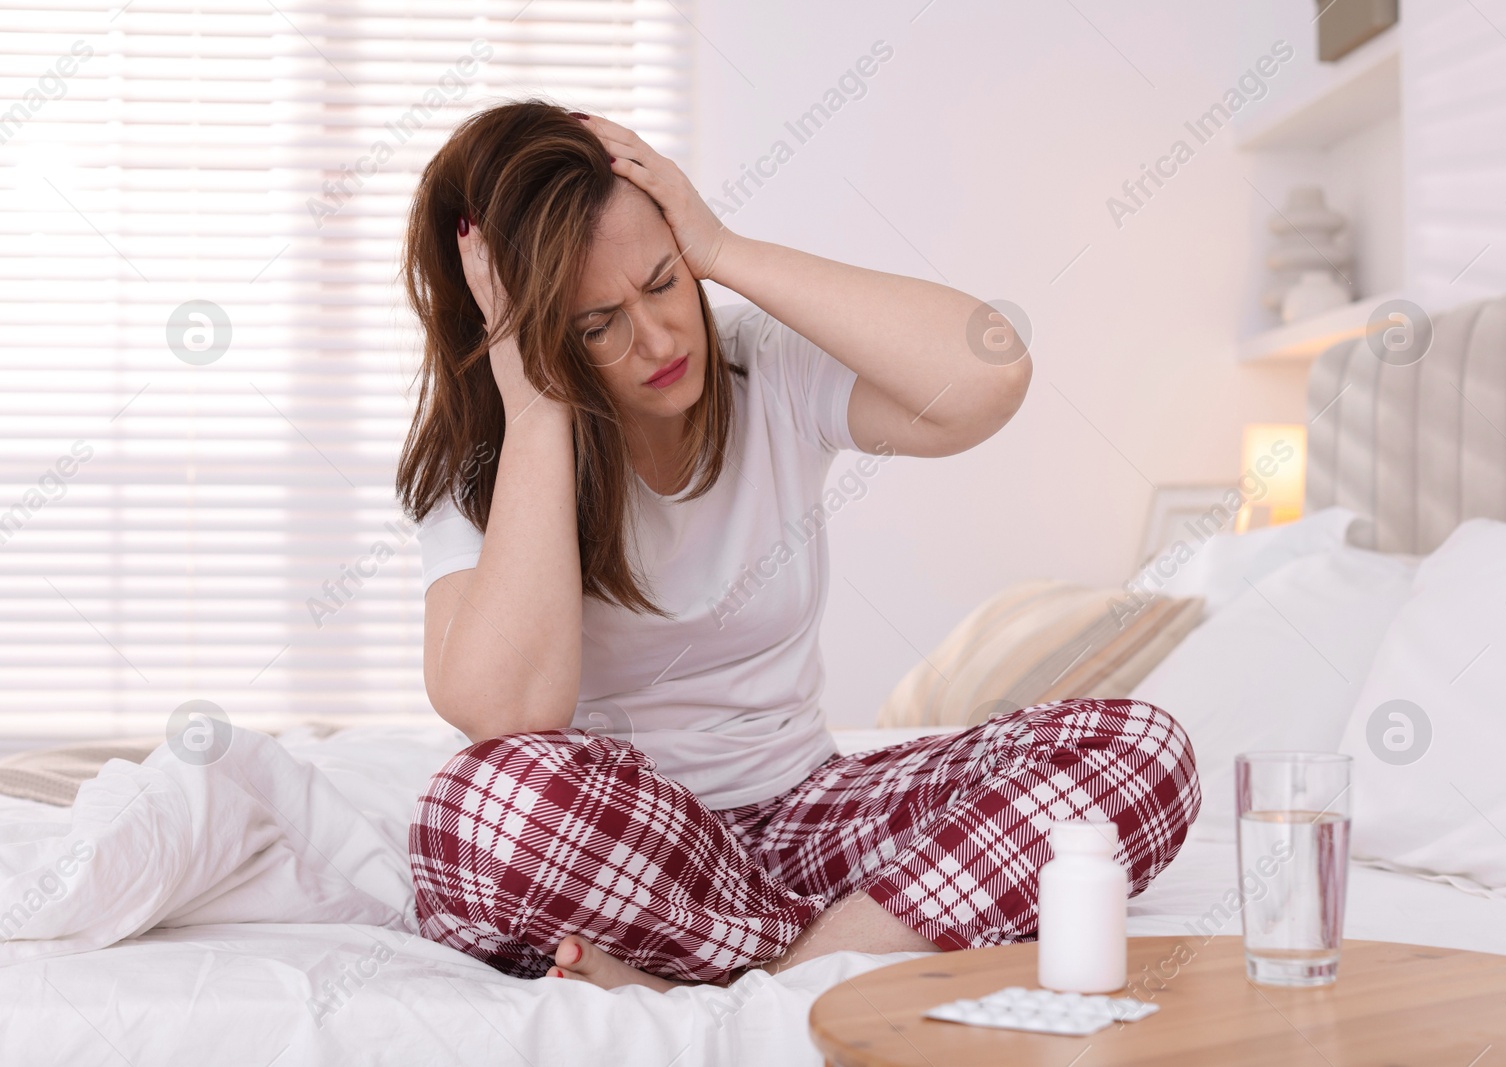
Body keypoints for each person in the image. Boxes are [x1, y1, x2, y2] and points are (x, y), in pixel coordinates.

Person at [396, 99, 1199, 991]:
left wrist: (724, 249)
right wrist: (538, 401)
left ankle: (766, 976)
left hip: (808, 819)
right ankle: (857, 945)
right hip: (632, 844)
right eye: (595, 326)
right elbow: (509, 714)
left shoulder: (760, 366)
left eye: (664, 282)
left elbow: (990, 374)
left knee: (1140, 750)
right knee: (475, 813)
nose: (659, 339)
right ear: (527, 335)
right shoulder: (484, 466)